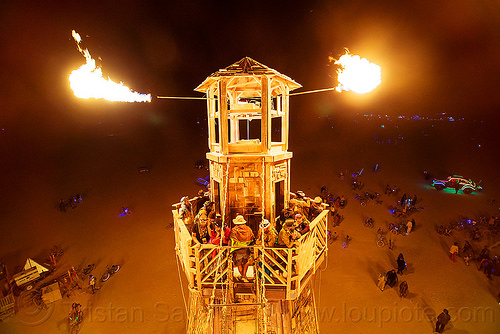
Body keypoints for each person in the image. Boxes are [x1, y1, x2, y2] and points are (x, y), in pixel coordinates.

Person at [229, 215, 255, 282]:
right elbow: (252, 237)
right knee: (245, 262)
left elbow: (232, 239)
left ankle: (243, 276)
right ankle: (244, 276)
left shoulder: (234, 230)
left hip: (237, 249)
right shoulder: (248, 229)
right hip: (246, 248)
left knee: (239, 263)